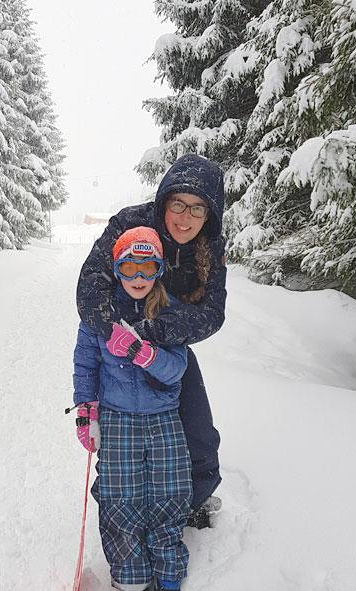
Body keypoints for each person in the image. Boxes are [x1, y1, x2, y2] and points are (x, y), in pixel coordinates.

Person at [77, 154, 226, 529]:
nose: (185, 216)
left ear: (209, 215)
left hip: (169, 345)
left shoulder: (210, 246)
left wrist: (153, 332)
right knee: (118, 432)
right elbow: (90, 286)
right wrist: (117, 334)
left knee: (198, 432)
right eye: (178, 203)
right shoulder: (130, 223)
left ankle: (190, 500)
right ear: (164, 201)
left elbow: (212, 314)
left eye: (197, 208)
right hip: (116, 342)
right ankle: (115, 496)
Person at [73, 226, 191, 591]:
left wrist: (144, 352)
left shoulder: (170, 311)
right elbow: (85, 363)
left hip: (163, 418)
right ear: (118, 268)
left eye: (148, 266)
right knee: (121, 499)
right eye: (129, 266)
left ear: (159, 269)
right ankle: (134, 583)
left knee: (170, 494)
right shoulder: (99, 313)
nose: (138, 276)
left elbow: (178, 370)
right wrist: (86, 410)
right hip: (119, 418)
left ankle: (169, 578)